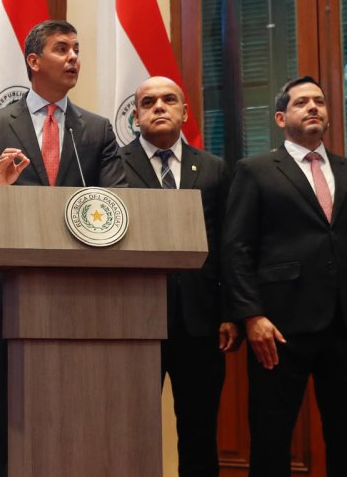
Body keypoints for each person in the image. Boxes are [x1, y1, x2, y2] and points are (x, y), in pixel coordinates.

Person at [0, 19, 126, 477]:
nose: (74, 58)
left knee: (81, 405)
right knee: (14, 407)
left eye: (77, 49)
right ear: (34, 61)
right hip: (12, 289)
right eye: (62, 49)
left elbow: (118, 203)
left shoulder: (96, 129)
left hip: (84, 291)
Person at [223, 75, 347, 477]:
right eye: (302, 102)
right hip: (278, 327)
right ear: (281, 118)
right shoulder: (256, 170)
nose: (313, 107)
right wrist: (251, 315)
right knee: (271, 436)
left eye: (319, 100)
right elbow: (236, 248)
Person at [119, 76, 237, 477]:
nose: (159, 107)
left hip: (200, 323)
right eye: (148, 102)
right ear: (135, 116)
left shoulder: (214, 168)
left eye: (169, 100)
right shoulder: (113, 166)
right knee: (130, 432)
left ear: (185, 112)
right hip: (133, 322)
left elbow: (228, 248)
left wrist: (229, 313)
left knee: (200, 432)